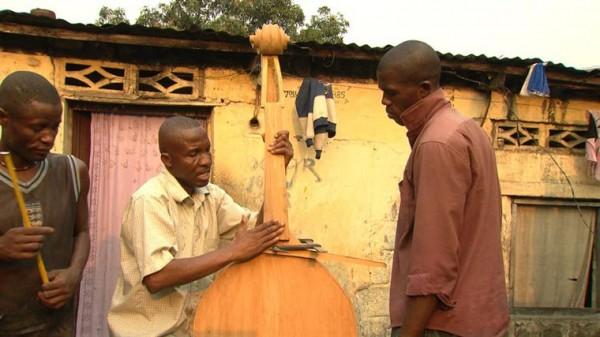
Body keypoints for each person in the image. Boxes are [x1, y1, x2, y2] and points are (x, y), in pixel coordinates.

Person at [108, 116, 292, 337]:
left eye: (207, 151)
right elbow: (157, 277)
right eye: (194, 154)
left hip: (195, 328)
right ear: (167, 160)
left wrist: (279, 167)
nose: (206, 161)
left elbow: (258, 232)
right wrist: (234, 251)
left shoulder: (212, 196)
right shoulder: (150, 200)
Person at [377, 41, 509, 337]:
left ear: (424, 88)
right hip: (475, 321)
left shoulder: (437, 143)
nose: (384, 101)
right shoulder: (464, 129)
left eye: (392, 92)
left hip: (441, 325)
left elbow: (433, 265)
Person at [0, 71, 90, 337]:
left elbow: (81, 232)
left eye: (55, 127)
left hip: (57, 325)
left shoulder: (73, 171)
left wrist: (74, 274)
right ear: (3, 118)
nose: (48, 138)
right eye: (37, 127)